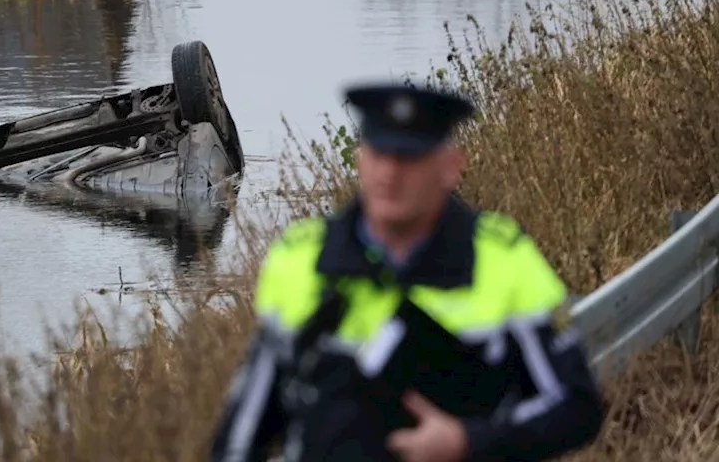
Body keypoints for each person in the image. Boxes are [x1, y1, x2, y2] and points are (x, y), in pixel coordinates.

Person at [209, 81, 607, 462]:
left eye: (409, 157)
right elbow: (245, 429)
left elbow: (577, 408)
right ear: (360, 162)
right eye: (379, 155)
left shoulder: (504, 259)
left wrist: (469, 443)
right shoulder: (300, 259)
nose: (391, 174)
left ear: (450, 168)